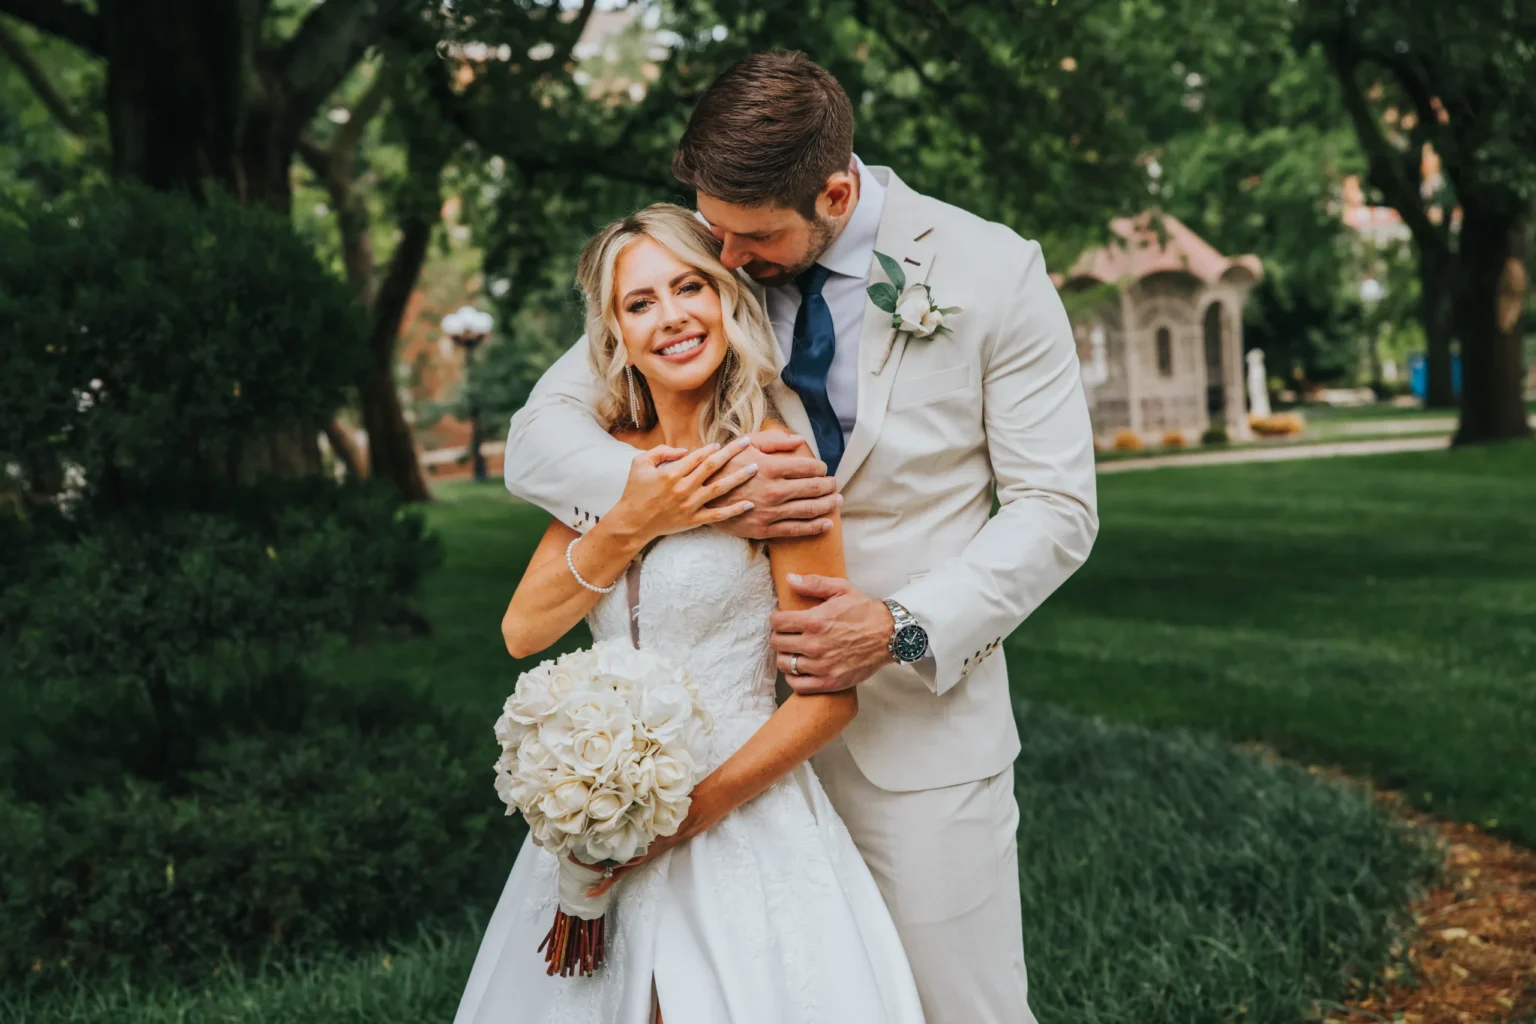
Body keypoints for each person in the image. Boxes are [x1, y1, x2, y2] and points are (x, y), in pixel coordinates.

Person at [500, 51, 1098, 1024]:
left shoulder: (991, 271)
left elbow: (1057, 509)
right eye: (713, 235)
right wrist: (695, 496)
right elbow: (540, 440)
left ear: (833, 191)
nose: (725, 260)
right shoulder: (701, 256)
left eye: (749, 240)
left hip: (912, 731)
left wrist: (900, 624)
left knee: (953, 1009)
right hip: (703, 740)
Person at [454, 204, 926, 1024]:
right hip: (602, 807)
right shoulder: (607, 458)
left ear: (727, 298)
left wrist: (682, 816)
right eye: (640, 304)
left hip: (737, 813)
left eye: (689, 287)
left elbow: (826, 697)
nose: (671, 317)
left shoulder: (781, 461)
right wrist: (646, 513)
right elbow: (522, 630)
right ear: (615, 335)